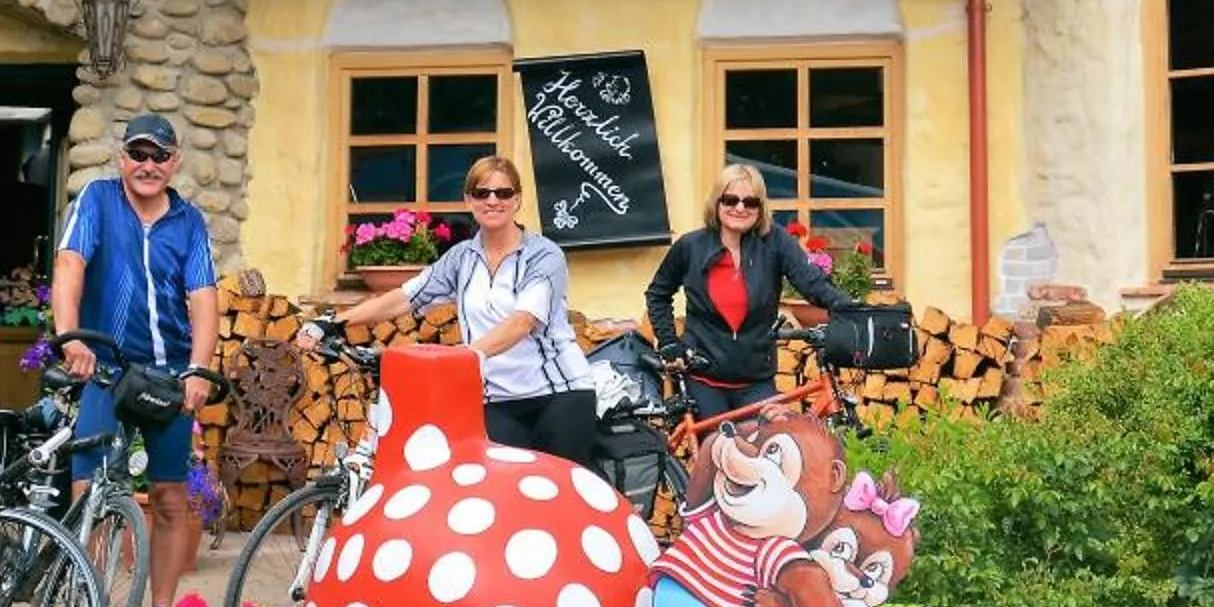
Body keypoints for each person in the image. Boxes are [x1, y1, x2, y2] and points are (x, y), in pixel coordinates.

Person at [50, 112, 217, 607]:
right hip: (106, 369)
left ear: (175, 163)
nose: (147, 165)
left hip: (167, 375)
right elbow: (69, 267)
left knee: (170, 498)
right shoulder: (97, 200)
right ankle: (87, 601)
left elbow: (204, 301)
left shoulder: (188, 221)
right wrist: (71, 335)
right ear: (122, 158)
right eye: (138, 155)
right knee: (86, 488)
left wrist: (199, 369)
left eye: (159, 156)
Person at [323, 156, 599, 468]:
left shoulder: (543, 255)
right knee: (498, 498)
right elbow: (405, 297)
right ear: (469, 200)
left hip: (559, 396)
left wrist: (461, 357)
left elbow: (522, 322)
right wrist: (334, 322)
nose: (493, 200)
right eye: (482, 193)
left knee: (557, 497)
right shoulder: (461, 258)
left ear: (518, 200)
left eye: (503, 193)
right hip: (497, 399)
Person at [643, 163, 865, 424]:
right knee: (717, 455)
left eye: (750, 202)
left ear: (760, 208)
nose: (740, 208)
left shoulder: (776, 243)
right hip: (704, 379)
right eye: (730, 199)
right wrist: (669, 342)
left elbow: (813, 284)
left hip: (756, 380)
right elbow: (658, 294)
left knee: (764, 454)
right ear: (716, 202)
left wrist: (851, 309)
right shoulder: (691, 246)